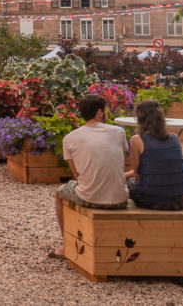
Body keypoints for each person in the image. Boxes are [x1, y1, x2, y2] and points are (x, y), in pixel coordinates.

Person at [52, 94, 129, 259]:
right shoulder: (118, 132)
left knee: (60, 194)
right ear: (100, 112)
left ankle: (67, 245)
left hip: (91, 198)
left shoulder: (69, 139)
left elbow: (79, 178)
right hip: (120, 199)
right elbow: (121, 164)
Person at [125, 100, 183, 210]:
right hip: (179, 200)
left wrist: (123, 176)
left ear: (140, 120)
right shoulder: (174, 138)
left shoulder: (137, 140)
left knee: (130, 183)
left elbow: (137, 176)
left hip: (151, 200)